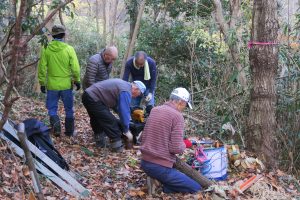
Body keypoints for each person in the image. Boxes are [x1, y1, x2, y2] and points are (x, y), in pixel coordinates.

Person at [140, 88, 201, 193]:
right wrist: (185, 144)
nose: (184, 108)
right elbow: (176, 148)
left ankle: (157, 181)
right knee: (196, 188)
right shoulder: (177, 116)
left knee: (177, 178)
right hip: (159, 166)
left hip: (145, 162)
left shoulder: (155, 110)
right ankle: (163, 187)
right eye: (185, 105)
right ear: (180, 102)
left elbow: (145, 136)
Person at [38, 25, 80, 137]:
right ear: (63, 35)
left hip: (52, 84)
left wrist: (42, 83)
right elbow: (75, 68)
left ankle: (56, 130)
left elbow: (42, 68)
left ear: (53, 35)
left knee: (52, 108)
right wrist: (77, 80)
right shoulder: (69, 49)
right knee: (69, 108)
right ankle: (70, 132)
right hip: (66, 84)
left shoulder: (46, 48)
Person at [82, 79, 146, 152]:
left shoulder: (124, 85)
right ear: (136, 89)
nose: (137, 96)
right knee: (111, 121)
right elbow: (124, 111)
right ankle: (117, 146)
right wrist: (126, 130)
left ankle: (99, 141)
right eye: (139, 94)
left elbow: (117, 106)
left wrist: (128, 118)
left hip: (87, 95)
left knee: (96, 119)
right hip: (94, 98)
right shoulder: (126, 91)